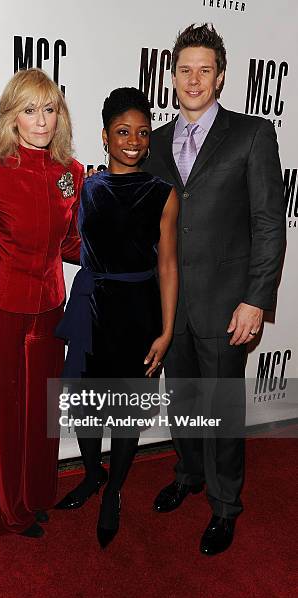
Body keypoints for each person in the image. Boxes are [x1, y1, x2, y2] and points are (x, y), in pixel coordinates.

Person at [143, 23, 286, 555]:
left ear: (221, 77)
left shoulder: (252, 135)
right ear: (172, 76)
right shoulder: (154, 143)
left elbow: (270, 222)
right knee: (182, 402)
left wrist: (256, 299)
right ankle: (188, 474)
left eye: (205, 70)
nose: (194, 79)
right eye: (185, 69)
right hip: (170, 306)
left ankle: (226, 506)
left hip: (227, 305)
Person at [0, 68, 84, 538]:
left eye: (49, 109)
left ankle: (33, 497)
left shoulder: (72, 174)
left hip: (51, 309)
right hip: (1, 309)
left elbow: (73, 244)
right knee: (0, 414)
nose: (41, 120)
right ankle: (0, 510)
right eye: (30, 110)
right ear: (12, 117)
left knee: (41, 413)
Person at [55, 87, 179, 548]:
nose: (133, 140)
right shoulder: (85, 186)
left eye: (142, 133)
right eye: (123, 132)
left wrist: (166, 330)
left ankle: (115, 493)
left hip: (139, 311)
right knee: (86, 409)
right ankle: (91, 474)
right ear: (104, 136)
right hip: (91, 307)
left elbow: (167, 265)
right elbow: (61, 236)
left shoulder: (163, 195)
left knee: (125, 415)